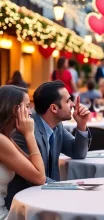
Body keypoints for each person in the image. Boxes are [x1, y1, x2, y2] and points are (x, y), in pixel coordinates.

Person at [5, 81, 91, 209]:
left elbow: (78, 152)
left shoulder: (57, 126)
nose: (73, 105)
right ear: (54, 108)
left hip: (47, 196)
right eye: (68, 101)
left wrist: (82, 125)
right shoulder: (24, 130)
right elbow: (34, 177)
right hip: (24, 203)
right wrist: (70, 188)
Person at [0, 86, 46, 219]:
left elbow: (32, 165)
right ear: (15, 110)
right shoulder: (1, 141)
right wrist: (29, 135)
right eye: (27, 106)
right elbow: (39, 177)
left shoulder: (6, 138)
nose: (30, 112)